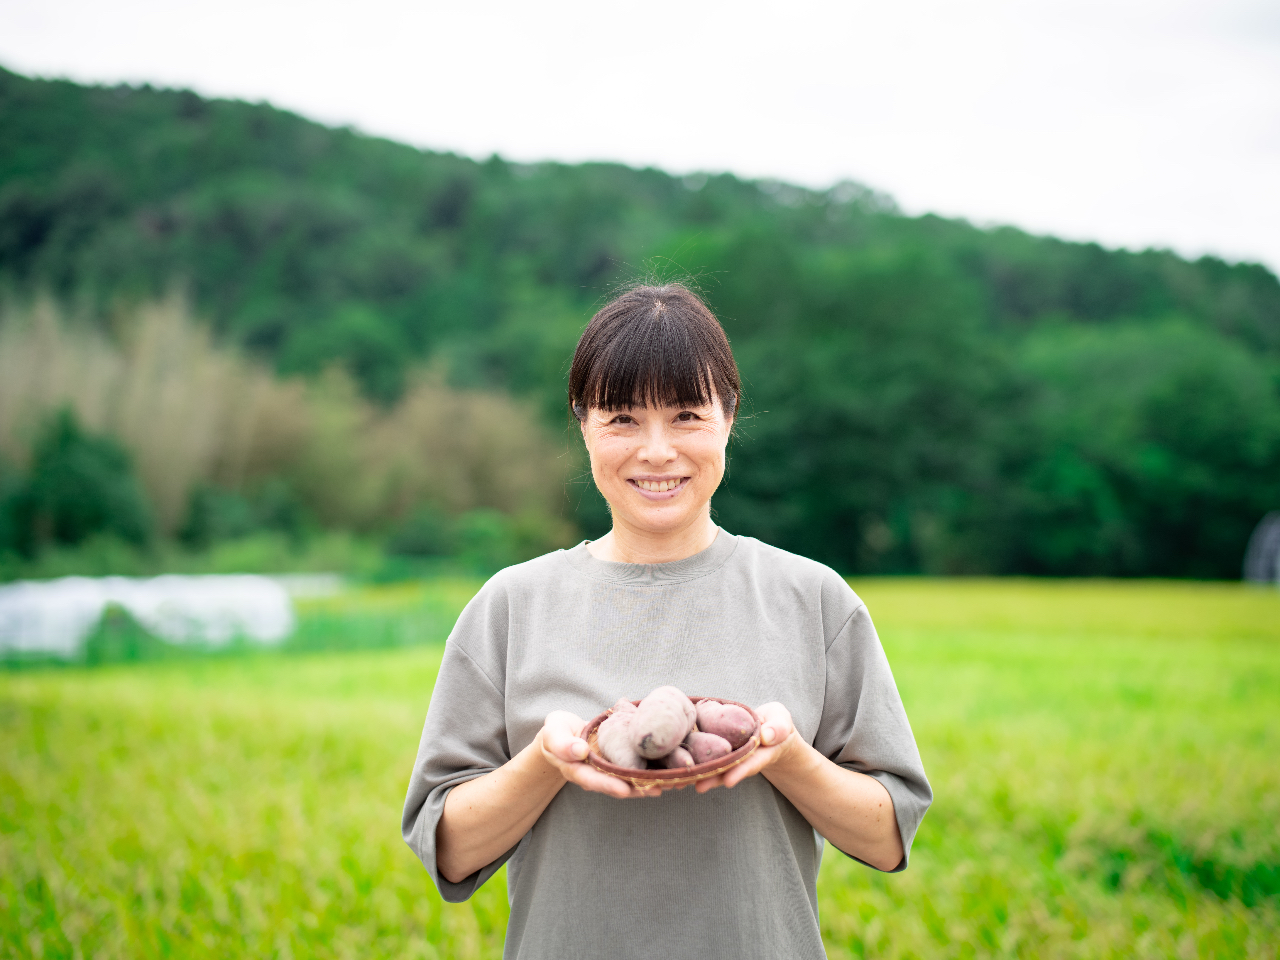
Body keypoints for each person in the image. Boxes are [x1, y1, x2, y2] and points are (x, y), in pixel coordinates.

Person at [402, 283, 931, 959]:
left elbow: (888, 837)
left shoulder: (812, 599)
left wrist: (787, 755)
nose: (656, 451)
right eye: (622, 419)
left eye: (686, 415)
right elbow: (448, 849)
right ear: (583, 422)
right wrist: (546, 762)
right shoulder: (510, 607)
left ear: (729, 417)